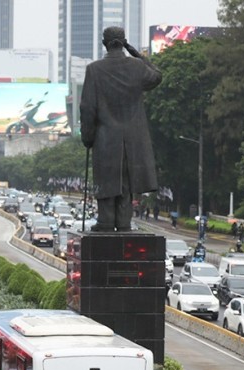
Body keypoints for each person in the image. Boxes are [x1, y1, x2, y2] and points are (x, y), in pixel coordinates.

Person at [80, 26, 162, 231]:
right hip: (133, 138)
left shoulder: (94, 69)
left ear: (104, 43)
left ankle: (106, 222)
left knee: (106, 181)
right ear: (124, 42)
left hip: (105, 137)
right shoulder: (136, 67)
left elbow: (87, 108)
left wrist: (87, 137)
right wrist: (137, 54)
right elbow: (157, 76)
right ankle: (124, 223)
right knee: (126, 183)